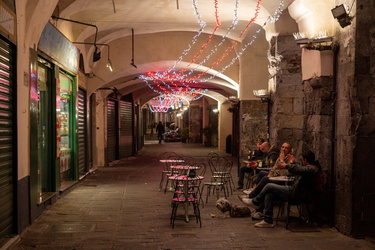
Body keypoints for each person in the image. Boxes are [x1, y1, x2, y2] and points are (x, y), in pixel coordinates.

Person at [239, 150, 320, 228]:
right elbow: (298, 171)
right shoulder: (308, 168)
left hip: (297, 194)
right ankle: (268, 220)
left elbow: (300, 170)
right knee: (269, 193)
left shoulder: (313, 169)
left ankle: (255, 201)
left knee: (269, 186)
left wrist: (287, 165)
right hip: (293, 190)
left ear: (305, 160)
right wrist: (293, 163)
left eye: (302, 160)